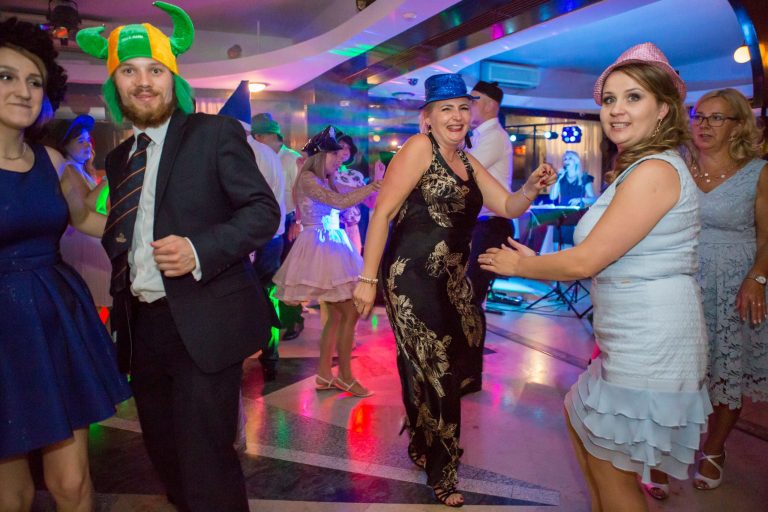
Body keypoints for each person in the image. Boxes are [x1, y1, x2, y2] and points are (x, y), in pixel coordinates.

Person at [478, 43, 711, 512]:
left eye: (633, 97)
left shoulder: (656, 170)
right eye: (609, 99)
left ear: (664, 109)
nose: (616, 110)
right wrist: (539, 260)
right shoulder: (639, 167)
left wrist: (521, 267)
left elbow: (586, 261)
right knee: (582, 424)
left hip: (652, 339)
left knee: (614, 473)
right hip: (629, 332)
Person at [76, 4, 281, 510]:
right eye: (129, 71)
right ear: (114, 85)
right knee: (164, 453)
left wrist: (198, 248)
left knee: (205, 460)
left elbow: (263, 212)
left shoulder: (213, 133)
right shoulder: (119, 158)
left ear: (174, 79)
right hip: (142, 328)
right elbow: (128, 230)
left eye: (155, 70)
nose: (143, 82)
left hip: (204, 321)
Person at [352, 73, 555, 507]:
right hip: (410, 279)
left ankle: (423, 440)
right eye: (446, 108)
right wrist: (367, 279)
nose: (457, 116)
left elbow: (507, 205)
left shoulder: (467, 160)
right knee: (438, 370)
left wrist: (530, 188)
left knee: (435, 367)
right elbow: (383, 214)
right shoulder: (418, 149)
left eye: (463, 107)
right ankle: (444, 471)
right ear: (427, 117)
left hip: (453, 282)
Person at [0, 18, 131, 511]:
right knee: (10, 494)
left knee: (72, 483)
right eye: (6, 76)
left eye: (34, 81)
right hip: (3, 333)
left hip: (55, 321)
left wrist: (151, 226)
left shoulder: (52, 161)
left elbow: (89, 220)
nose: (23, 90)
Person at [688, 88, 768, 491]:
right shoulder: (679, 166)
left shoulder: (758, 173)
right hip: (684, 277)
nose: (704, 125)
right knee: (680, 371)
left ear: (737, 125)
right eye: (699, 116)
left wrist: (758, 277)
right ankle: (668, 448)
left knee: (726, 372)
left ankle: (715, 449)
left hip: (735, 281)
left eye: (716, 118)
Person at [273, 126, 380, 398]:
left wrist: (376, 185)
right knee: (348, 312)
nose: (340, 158)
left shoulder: (326, 178)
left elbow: (360, 197)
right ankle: (345, 377)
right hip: (321, 244)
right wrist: (372, 186)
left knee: (336, 316)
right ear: (321, 156)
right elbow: (340, 202)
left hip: (333, 243)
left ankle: (324, 374)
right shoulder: (309, 178)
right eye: (334, 154)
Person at [219, 82, 286, 382]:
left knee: (236, 300)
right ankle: (270, 357)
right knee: (268, 297)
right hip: (272, 238)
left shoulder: (234, 151)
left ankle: (235, 357)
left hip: (244, 242)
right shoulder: (268, 153)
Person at [464, 80, 514, 394]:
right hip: (480, 226)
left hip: (490, 226)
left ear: (490, 105)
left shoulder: (494, 137)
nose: (468, 106)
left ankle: (469, 374)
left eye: (473, 100)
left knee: (470, 298)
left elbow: (463, 172)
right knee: (466, 297)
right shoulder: (482, 136)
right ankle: (465, 370)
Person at [252, 112, 306, 340]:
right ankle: (269, 322)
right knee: (270, 275)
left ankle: (293, 320)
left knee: (287, 274)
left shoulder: (292, 158)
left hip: (290, 221)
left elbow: (303, 192)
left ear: (263, 136)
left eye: (255, 137)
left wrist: (298, 222)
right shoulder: (259, 157)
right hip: (267, 223)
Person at [54, 114, 113, 310]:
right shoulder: (69, 168)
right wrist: (108, 178)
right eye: (80, 141)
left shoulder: (80, 169)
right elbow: (89, 205)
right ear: (65, 145)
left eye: (88, 140)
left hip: (88, 241)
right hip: (81, 242)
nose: (88, 145)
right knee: (95, 302)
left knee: (100, 302)